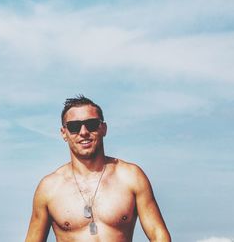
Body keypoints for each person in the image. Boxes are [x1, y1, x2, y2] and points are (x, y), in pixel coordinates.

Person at [25, 95, 171, 242]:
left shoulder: (131, 177)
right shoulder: (49, 188)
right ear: (64, 133)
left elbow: (159, 234)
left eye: (92, 124)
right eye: (74, 127)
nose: (83, 132)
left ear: (103, 128)